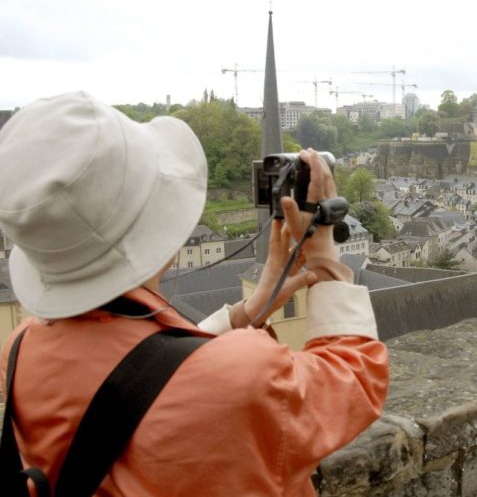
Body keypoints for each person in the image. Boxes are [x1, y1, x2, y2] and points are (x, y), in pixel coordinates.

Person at [0, 91, 388, 495]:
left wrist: (245, 314)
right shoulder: (243, 376)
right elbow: (356, 379)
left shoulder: (21, 351)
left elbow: (145, 374)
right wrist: (322, 253)